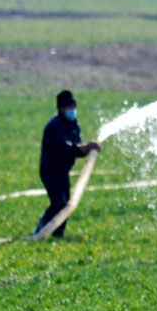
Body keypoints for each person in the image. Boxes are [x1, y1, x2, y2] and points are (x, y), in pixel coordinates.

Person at [34, 90, 101, 238]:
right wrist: (86, 147)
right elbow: (67, 148)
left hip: (63, 172)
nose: (73, 110)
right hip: (50, 171)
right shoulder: (54, 127)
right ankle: (41, 229)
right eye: (69, 107)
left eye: (73, 107)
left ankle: (58, 234)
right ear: (61, 109)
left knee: (66, 204)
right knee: (59, 203)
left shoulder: (74, 125)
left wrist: (89, 149)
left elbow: (77, 149)